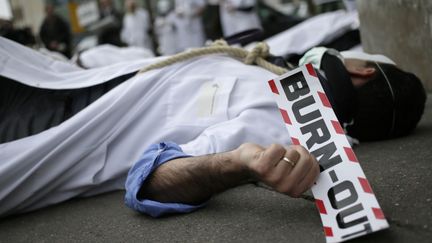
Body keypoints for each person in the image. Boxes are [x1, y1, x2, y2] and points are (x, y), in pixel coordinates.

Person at [0, 36, 426, 217]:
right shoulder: (283, 80)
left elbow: (146, 182)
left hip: (48, 129)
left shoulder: (287, 126)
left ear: (363, 72)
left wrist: (235, 164)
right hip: (55, 82)